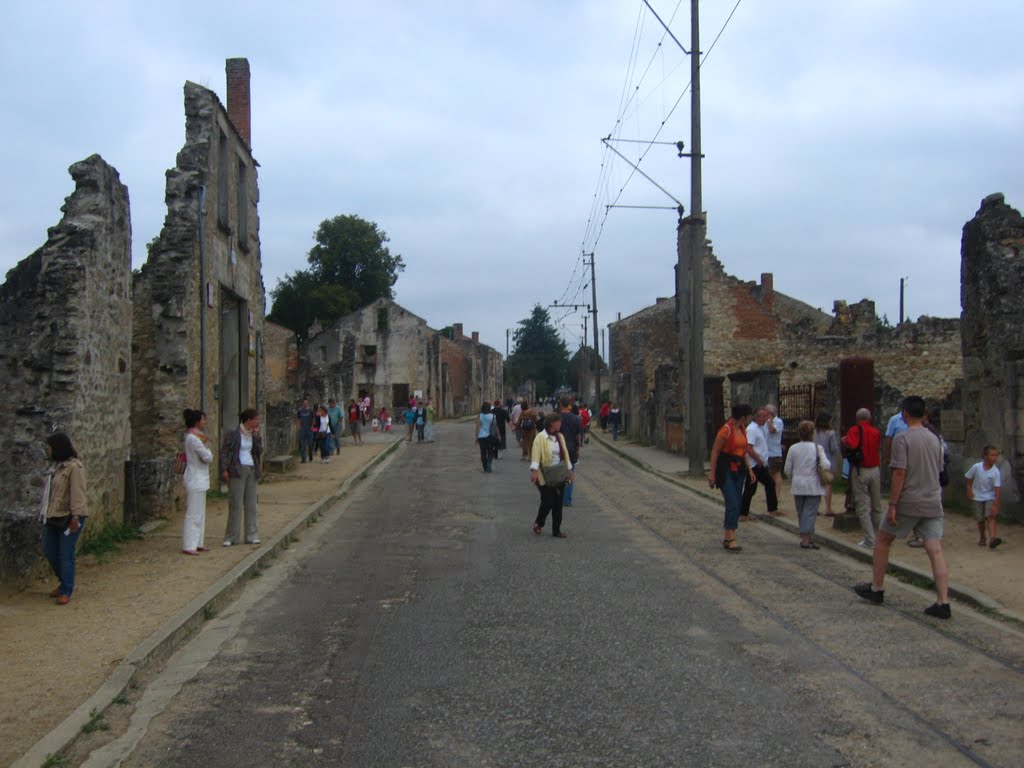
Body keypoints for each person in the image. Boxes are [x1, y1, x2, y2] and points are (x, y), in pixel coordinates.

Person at [854, 396, 952, 619]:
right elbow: (938, 468)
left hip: (909, 500)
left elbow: (900, 472)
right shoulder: (935, 438)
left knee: (882, 539)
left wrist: (893, 504)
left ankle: (877, 587)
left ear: (905, 414)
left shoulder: (902, 438)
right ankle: (943, 600)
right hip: (932, 499)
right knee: (935, 549)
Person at [40, 433, 87, 605]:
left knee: (66, 553)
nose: (48, 450)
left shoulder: (75, 467)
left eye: (51, 447)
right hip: (55, 515)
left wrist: (76, 517)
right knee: (49, 549)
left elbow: (78, 493)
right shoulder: (57, 467)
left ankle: (66, 589)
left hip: (71, 516)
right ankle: (64, 581)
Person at [709, 404, 756, 552]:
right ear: (743, 417)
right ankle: (730, 538)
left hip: (740, 469)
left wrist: (750, 469)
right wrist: (712, 474)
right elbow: (715, 452)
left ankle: (729, 535)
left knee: (737, 501)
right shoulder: (725, 431)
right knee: (733, 502)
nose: (749, 419)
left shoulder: (742, 430)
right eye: (748, 416)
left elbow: (744, 452)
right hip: (725, 470)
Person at [784, 420, 831, 549]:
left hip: (798, 483)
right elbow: (826, 464)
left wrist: (793, 477)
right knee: (810, 512)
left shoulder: (793, 448)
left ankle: (805, 536)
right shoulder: (817, 448)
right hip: (813, 484)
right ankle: (807, 538)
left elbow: (787, 469)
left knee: (801, 512)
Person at [221, 408, 263, 546]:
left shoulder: (254, 435)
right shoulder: (233, 434)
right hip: (237, 470)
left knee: (251, 505)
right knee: (236, 504)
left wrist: (256, 437)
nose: (258, 422)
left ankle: (251, 535)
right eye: (256, 419)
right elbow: (225, 452)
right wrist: (225, 469)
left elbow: (259, 451)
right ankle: (231, 536)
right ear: (248, 420)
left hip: (251, 469)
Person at [842, 408, 883, 548]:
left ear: (857, 418)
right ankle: (881, 538)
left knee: (863, 506)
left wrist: (845, 441)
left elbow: (852, 445)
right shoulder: (876, 432)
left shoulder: (854, 430)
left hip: (861, 470)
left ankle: (870, 540)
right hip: (875, 469)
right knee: (877, 506)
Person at [530, 411, 575, 538]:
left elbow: (565, 454)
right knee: (548, 501)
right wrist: (534, 471)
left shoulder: (560, 436)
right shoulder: (540, 437)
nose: (561, 424)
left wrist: (570, 470)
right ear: (552, 424)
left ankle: (557, 530)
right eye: (558, 422)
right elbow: (535, 455)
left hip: (559, 473)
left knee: (558, 503)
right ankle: (539, 522)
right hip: (544, 474)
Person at [181, 409, 213, 555]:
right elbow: (207, 457)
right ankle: (189, 544)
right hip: (195, 477)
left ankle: (197, 542)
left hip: (199, 478)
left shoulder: (194, 437)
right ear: (197, 422)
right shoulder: (193, 439)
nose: (205, 422)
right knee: (193, 512)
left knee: (200, 513)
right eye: (203, 420)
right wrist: (210, 452)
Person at [740, 408, 778, 519]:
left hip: (759, 464)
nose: (766, 419)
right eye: (764, 417)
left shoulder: (760, 429)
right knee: (750, 488)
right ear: (757, 417)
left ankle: (772, 509)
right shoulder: (752, 429)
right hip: (754, 464)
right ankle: (743, 513)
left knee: (770, 483)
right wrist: (758, 460)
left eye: (766, 416)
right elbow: (749, 447)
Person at [965, 446, 1002, 549]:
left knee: (991, 516)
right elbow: (968, 477)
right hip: (977, 497)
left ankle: (993, 539)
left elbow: (997, 489)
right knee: (980, 519)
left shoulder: (996, 472)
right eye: (992, 455)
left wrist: (995, 504)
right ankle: (982, 537)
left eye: (996, 455)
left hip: (990, 497)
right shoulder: (976, 467)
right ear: (985, 456)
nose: (995, 458)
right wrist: (969, 489)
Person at [813, 412, 840, 516]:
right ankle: (828, 508)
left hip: (815, 459)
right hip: (827, 459)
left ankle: (815, 508)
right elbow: (834, 448)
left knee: (816, 484)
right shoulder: (830, 433)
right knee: (827, 484)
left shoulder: (813, 432)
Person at [558, 398, 583, 507]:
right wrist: (578, 449)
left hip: (558, 449)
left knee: (557, 474)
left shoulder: (556, 418)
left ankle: (558, 498)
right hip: (572, 448)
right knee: (569, 473)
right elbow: (578, 436)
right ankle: (567, 500)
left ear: (560, 405)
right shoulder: (576, 418)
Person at [476, 402, 496, 472]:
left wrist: (476, 438)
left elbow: (477, 428)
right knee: (490, 451)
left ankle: (485, 466)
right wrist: (498, 436)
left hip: (481, 437)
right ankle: (489, 463)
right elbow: (495, 427)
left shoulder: (480, 416)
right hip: (490, 436)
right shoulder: (493, 416)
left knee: (483, 452)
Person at [296, 397, 314, 463]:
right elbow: (298, 418)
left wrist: (312, 426)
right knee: (302, 444)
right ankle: (303, 459)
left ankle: (310, 455)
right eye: (304, 403)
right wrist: (298, 426)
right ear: (302, 403)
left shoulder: (311, 410)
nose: (305, 404)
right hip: (302, 429)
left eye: (306, 402)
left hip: (309, 429)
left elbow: (313, 419)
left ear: (308, 403)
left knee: (310, 444)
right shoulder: (300, 411)